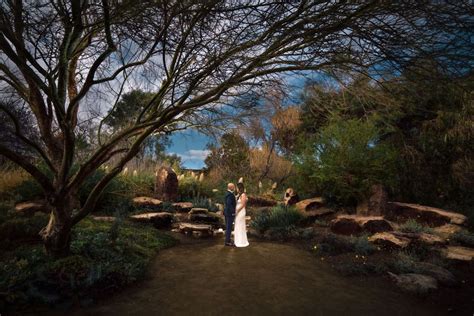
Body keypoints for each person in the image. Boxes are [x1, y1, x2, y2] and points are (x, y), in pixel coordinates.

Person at [233, 182, 249, 247]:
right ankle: (237, 240)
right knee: (237, 225)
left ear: (239, 188)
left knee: (240, 225)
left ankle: (241, 241)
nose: (236, 189)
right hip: (238, 212)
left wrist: (237, 211)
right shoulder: (239, 195)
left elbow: (243, 205)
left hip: (241, 212)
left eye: (237, 187)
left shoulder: (243, 195)